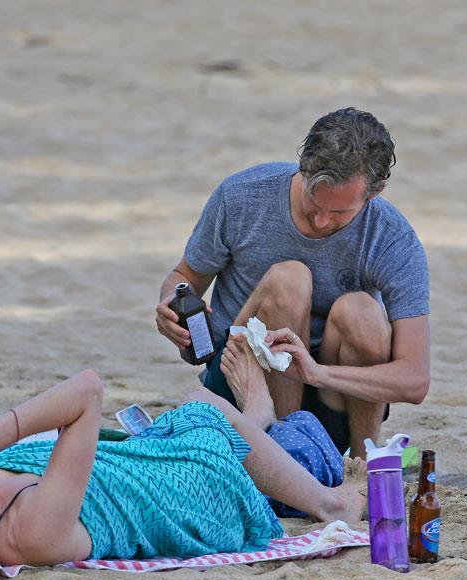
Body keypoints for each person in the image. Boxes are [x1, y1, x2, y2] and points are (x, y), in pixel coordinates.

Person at [0, 358, 366, 577]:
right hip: (193, 497)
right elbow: (87, 390)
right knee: (208, 414)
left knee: (198, 406)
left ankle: (256, 415)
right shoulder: (32, 531)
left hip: (143, 462)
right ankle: (332, 502)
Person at [155, 107, 431, 458]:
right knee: (290, 279)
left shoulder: (391, 238)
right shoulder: (242, 196)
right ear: (303, 166)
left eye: (339, 213)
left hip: (333, 395)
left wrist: (318, 373)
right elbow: (183, 278)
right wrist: (169, 305)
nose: (319, 220)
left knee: (362, 311)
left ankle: (363, 463)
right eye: (313, 200)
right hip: (245, 388)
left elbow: (415, 380)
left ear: (373, 195)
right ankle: (284, 452)